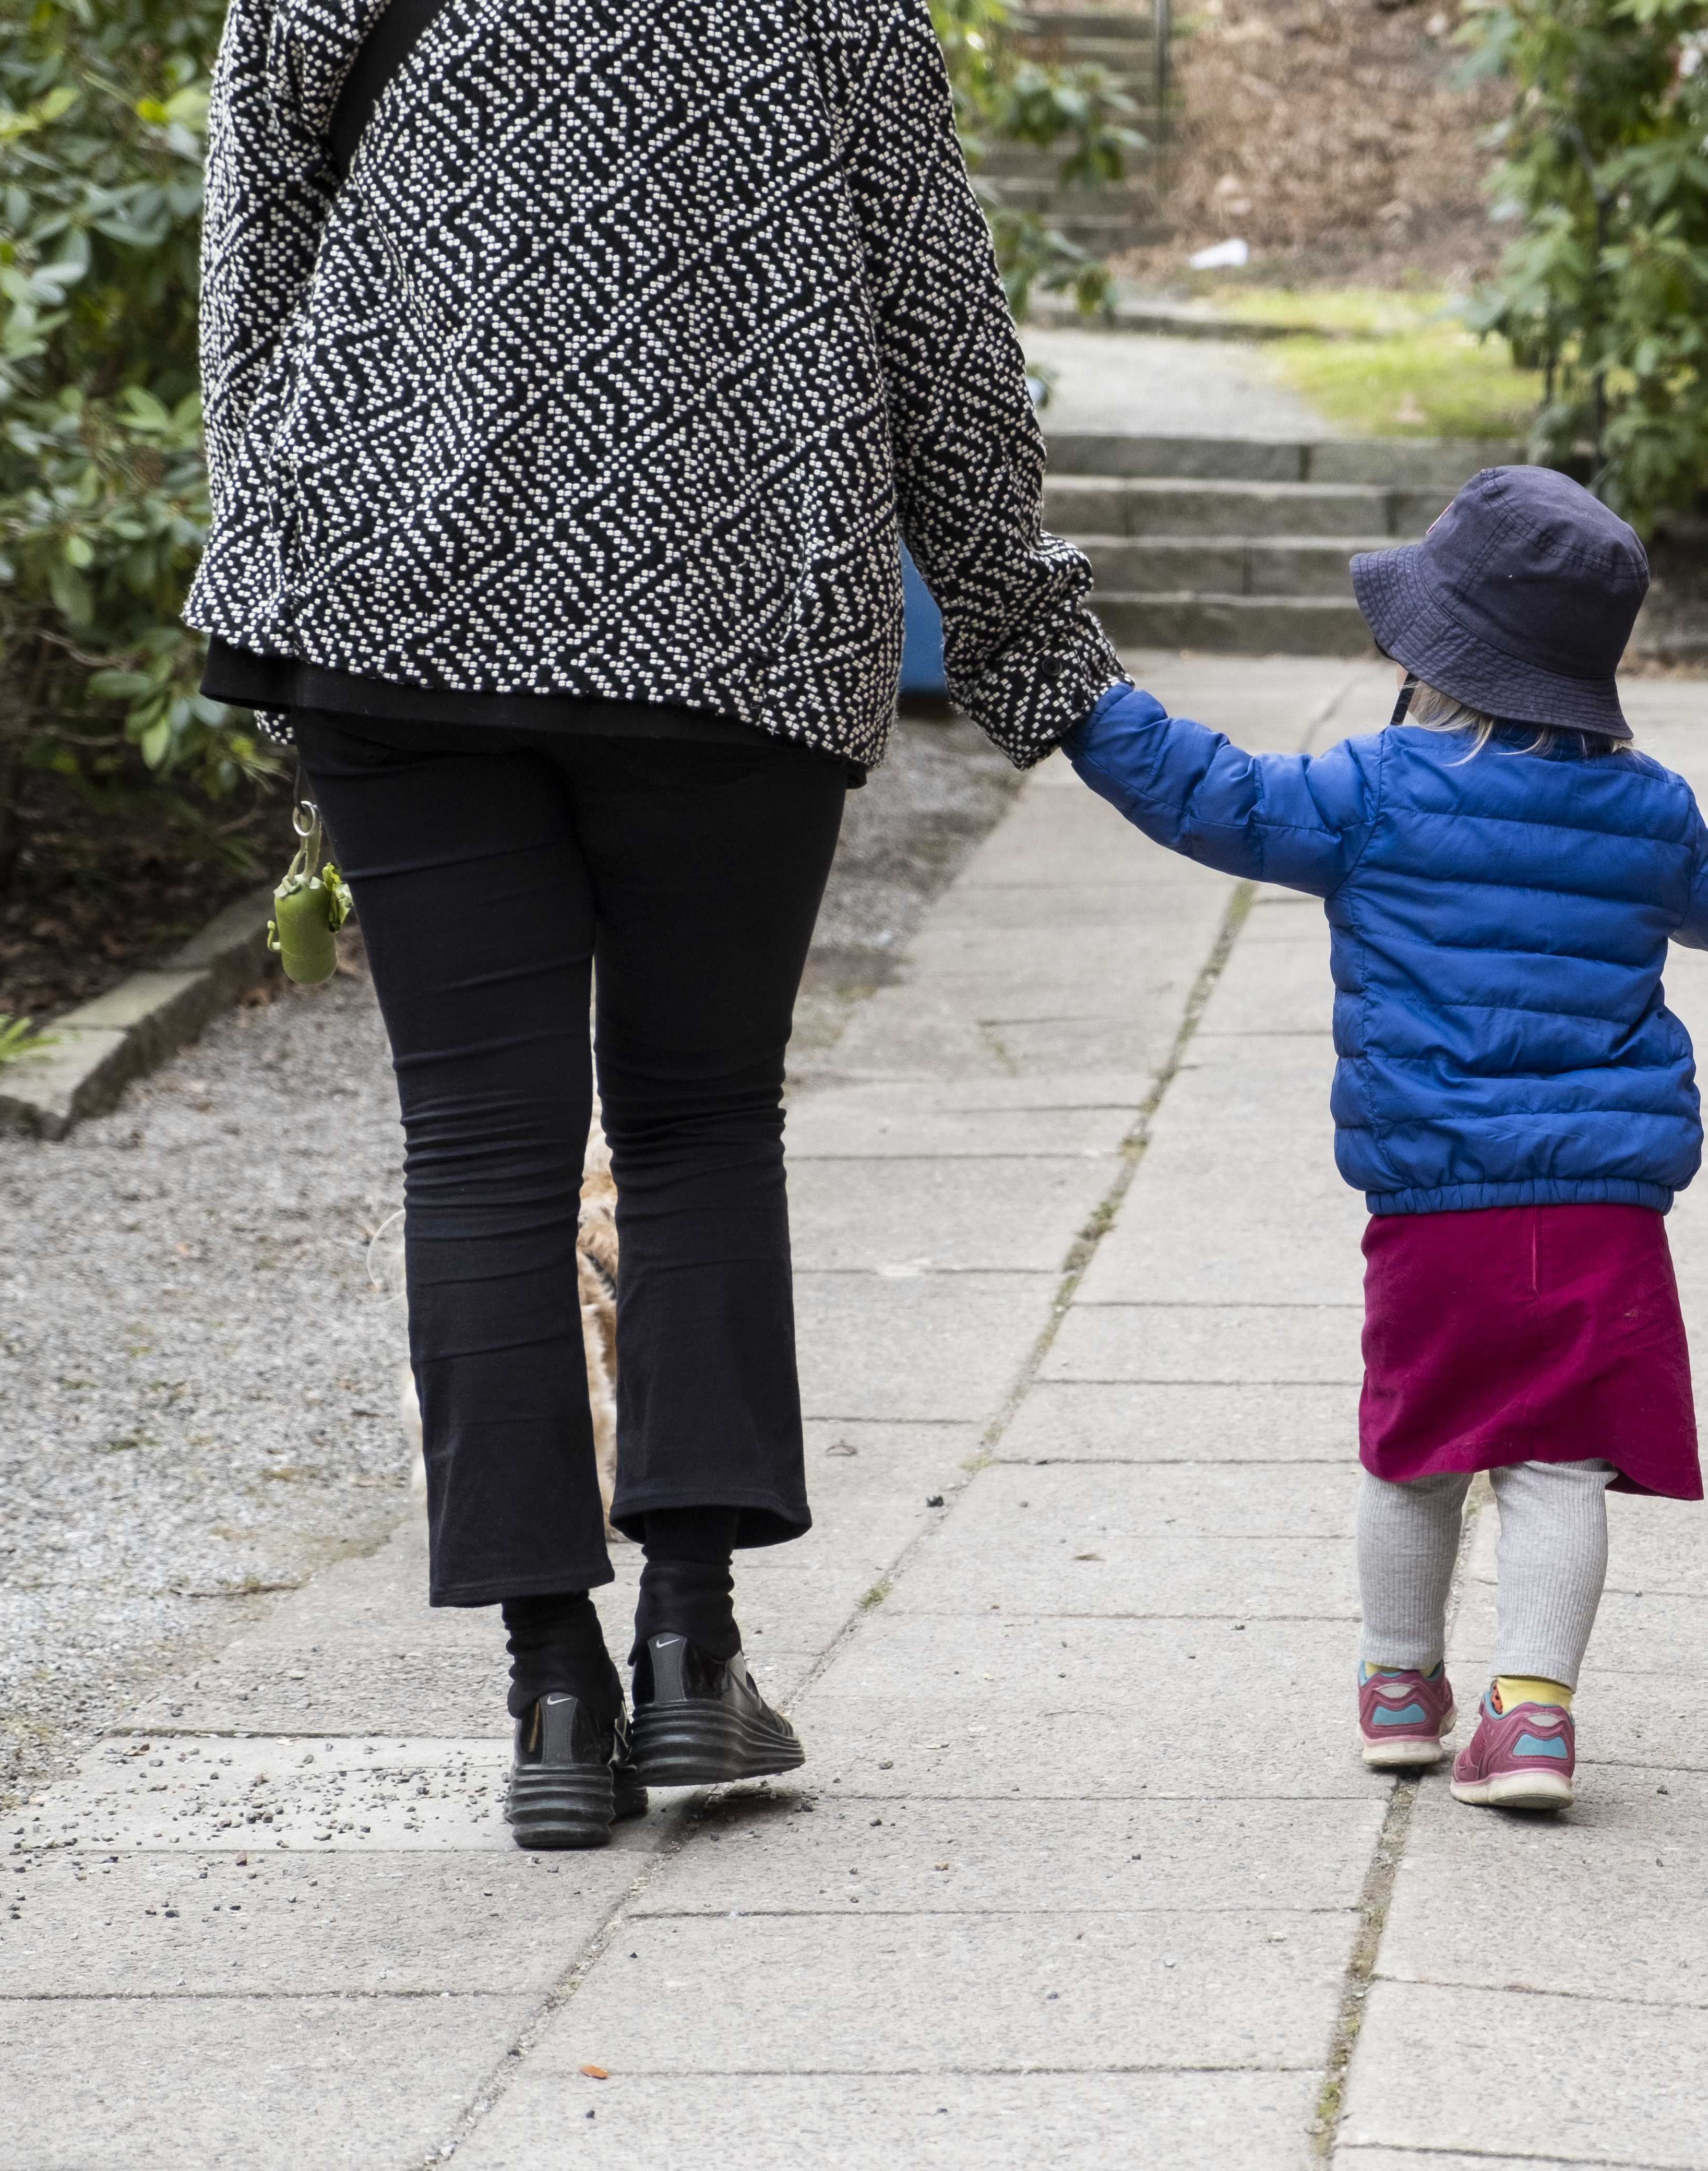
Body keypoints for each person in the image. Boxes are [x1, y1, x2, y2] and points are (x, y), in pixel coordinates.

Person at [186, 0, 1119, 1847]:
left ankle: (551, 1695)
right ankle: (694, 1656)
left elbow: (254, 272)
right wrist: (1026, 645)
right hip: (732, 618)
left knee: (480, 1141)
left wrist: (276, 575)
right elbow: (938, 320)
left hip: (396, 600)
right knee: (699, 1122)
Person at [1064, 469, 1708, 1808]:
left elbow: (1211, 793)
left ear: (1435, 658)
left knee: (1417, 1443)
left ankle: (1400, 1683)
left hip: (1435, 1203)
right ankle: (1532, 1719)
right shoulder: (1644, 811)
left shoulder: (1376, 790)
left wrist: (1088, 703)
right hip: (1599, 1210)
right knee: (1557, 1461)